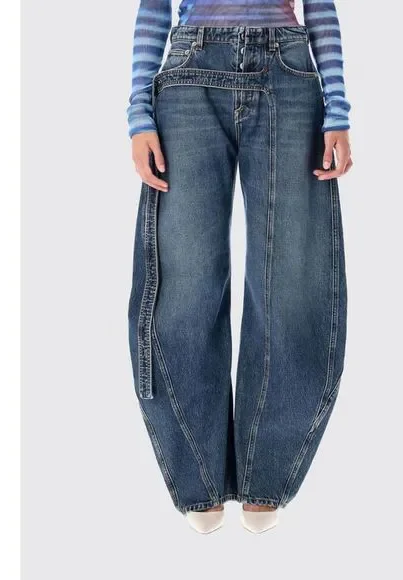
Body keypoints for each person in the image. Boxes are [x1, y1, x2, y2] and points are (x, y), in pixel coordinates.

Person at [127, 0, 352, 534]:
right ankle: (198, 476)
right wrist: (139, 113)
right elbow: (153, 8)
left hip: (289, 74)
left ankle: (266, 471)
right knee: (184, 286)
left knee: (292, 283)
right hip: (188, 79)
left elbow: (320, 7)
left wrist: (338, 108)